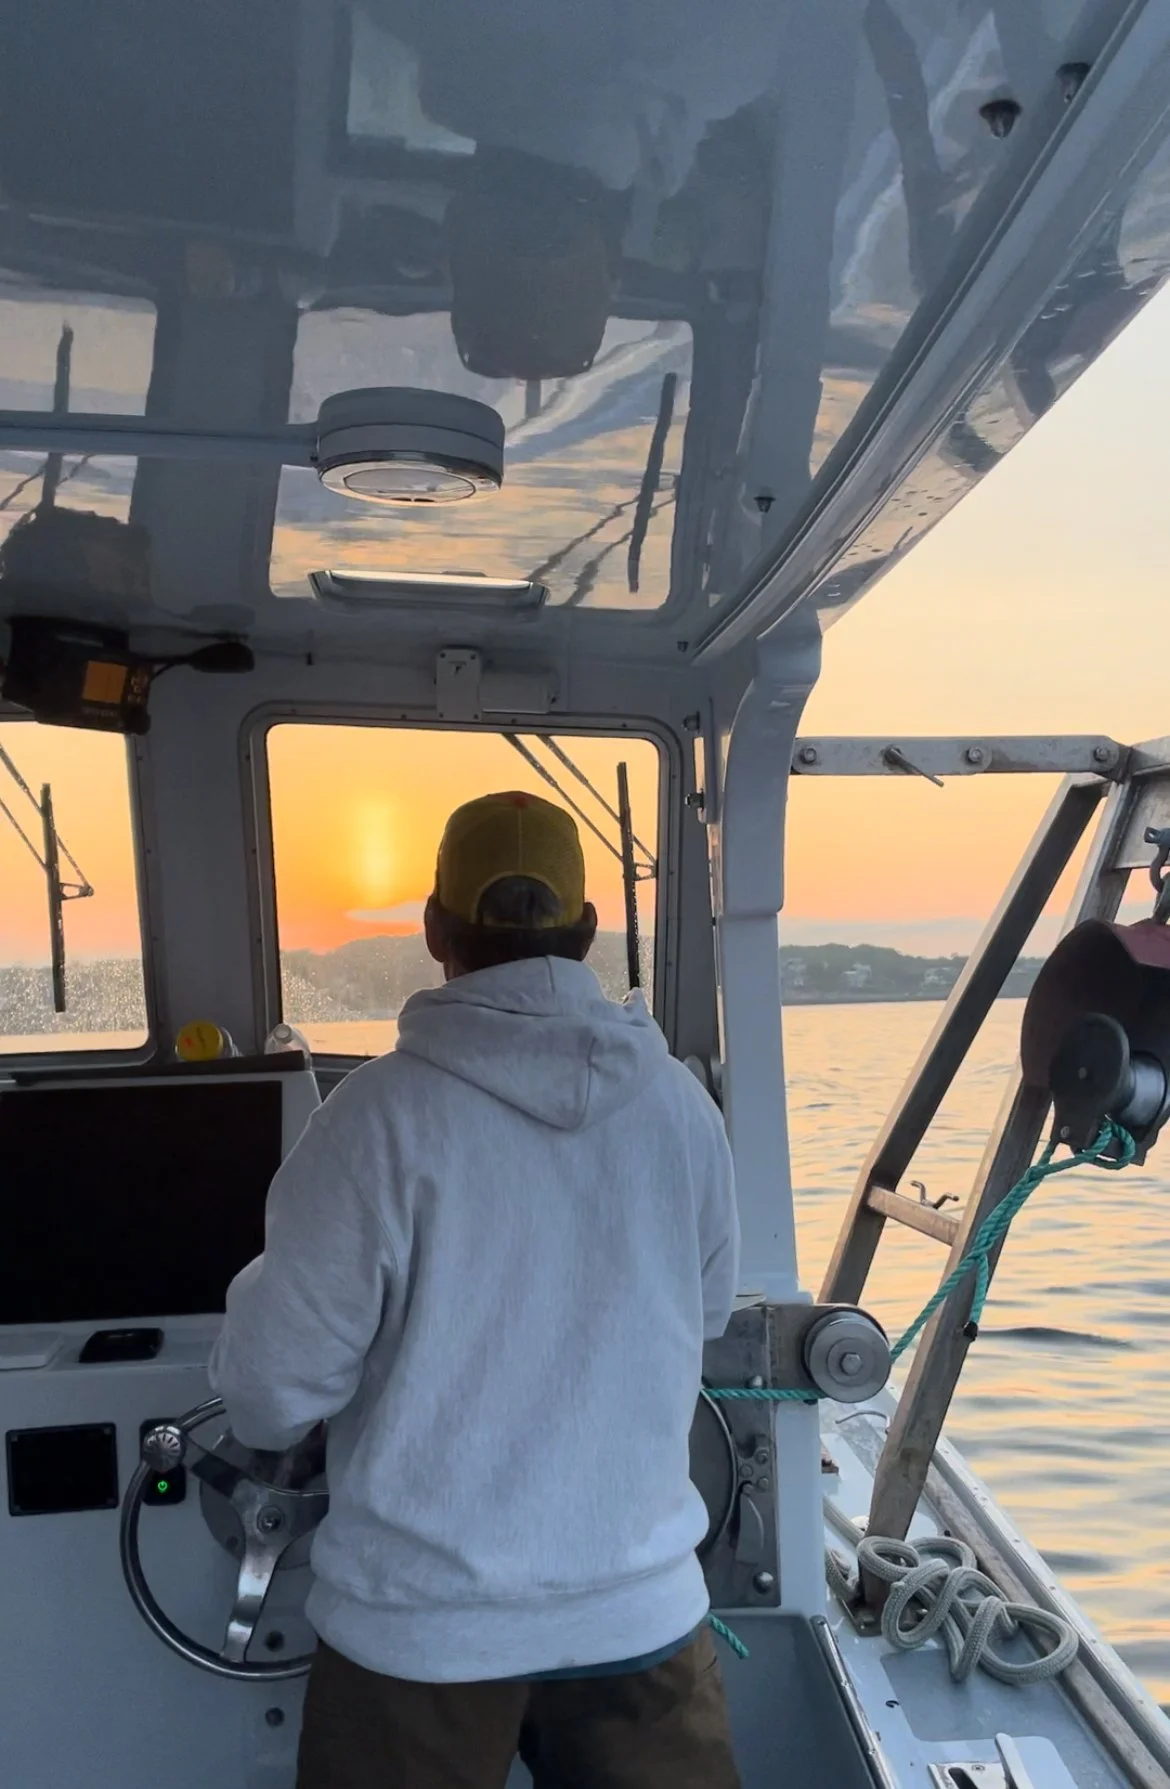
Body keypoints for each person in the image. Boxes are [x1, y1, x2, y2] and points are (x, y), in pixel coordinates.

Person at [209, 789, 742, 1788]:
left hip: (420, 1638)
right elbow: (704, 1315)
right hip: (642, 1619)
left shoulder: (371, 1122)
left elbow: (271, 1398)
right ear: (587, 930)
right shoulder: (680, 1108)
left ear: (434, 928)